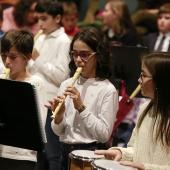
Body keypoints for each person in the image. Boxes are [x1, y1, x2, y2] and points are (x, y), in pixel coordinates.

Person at [45, 26, 119, 170]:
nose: (78, 60)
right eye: (74, 54)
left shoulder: (107, 90)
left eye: (84, 55)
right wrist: (59, 117)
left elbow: (104, 135)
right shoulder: (66, 84)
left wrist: (81, 107)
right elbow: (58, 131)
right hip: (65, 151)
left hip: (92, 154)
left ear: (98, 56)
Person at [95, 52, 170, 170]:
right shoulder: (145, 107)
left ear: (160, 80)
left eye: (143, 75)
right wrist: (121, 152)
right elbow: (135, 149)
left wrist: (146, 168)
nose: (139, 80)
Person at [27, 1, 71, 170]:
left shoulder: (63, 41)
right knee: (36, 152)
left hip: (50, 102)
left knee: (52, 153)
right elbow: (34, 70)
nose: (40, 23)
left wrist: (37, 58)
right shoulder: (41, 37)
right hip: (35, 99)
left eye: (44, 19)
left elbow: (62, 76)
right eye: (38, 19)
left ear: (58, 18)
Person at [0, 28, 47, 170]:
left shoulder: (36, 83)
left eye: (13, 57)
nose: (7, 62)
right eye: (3, 56)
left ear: (28, 57)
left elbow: (38, 126)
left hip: (22, 156)